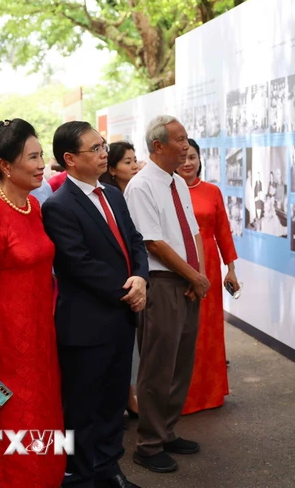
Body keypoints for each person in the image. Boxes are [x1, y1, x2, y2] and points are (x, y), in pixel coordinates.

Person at [0, 119, 66, 487]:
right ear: (5, 165)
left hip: (38, 341)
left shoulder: (32, 207)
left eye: (41, 156)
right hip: (2, 347)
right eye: (32, 157)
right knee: (4, 437)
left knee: (41, 423)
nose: (41, 165)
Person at [43, 122, 148, 488]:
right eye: (96, 148)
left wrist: (141, 277)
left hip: (120, 317)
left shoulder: (114, 194)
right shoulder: (59, 206)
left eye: (104, 146)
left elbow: (134, 241)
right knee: (84, 408)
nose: (105, 152)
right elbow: (78, 263)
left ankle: (108, 469)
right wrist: (128, 289)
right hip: (87, 324)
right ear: (70, 159)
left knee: (113, 402)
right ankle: (81, 476)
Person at [124, 116, 209, 473]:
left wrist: (198, 276)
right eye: (180, 139)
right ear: (158, 146)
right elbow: (153, 242)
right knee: (158, 367)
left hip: (186, 282)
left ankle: (167, 431)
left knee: (180, 364)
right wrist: (194, 276)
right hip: (161, 284)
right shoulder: (142, 186)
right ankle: (148, 444)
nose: (186, 146)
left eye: (187, 139)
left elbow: (192, 233)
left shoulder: (176, 181)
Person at [176, 139, 239, 414]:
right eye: (182, 158)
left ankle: (211, 393)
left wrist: (232, 269)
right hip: (179, 265)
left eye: (193, 157)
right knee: (184, 330)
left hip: (210, 265)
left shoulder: (212, 191)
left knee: (208, 329)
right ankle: (182, 396)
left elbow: (223, 232)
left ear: (200, 159)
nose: (187, 163)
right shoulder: (168, 191)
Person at [99, 140, 142, 420]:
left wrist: (140, 276)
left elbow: (137, 241)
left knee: (132, 350)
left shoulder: (126, 195)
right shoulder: (112, 196)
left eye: (135, 160)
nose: (134, 165)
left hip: (134, 282)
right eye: (127, 161)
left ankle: (128, 397)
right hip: (114, 289)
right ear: (112, 169)